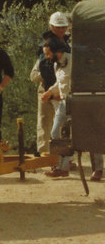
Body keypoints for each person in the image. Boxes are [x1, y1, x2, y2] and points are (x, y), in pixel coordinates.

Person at [31, 12, 71, 156]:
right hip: (48, 88)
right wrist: (51, 91)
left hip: (60, 89)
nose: (60, 30)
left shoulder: (67, 43)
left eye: (63, 27)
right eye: (57, 27)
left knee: (60, 126)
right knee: (45, 123)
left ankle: (61, 157)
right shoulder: (46, 44)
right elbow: (45, 68)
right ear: (51, 26)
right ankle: (45, 155)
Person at [42, 36, 74, 177]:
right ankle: (62, 167)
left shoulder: (73, 60)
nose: (47, 57)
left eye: (48, 53)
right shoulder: (56, 65)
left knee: (74, 134)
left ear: (57, 51)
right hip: (63, 104)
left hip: (76, 102)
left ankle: (97, 168)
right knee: (56, 133)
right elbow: (59, 84)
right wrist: (50, 91)